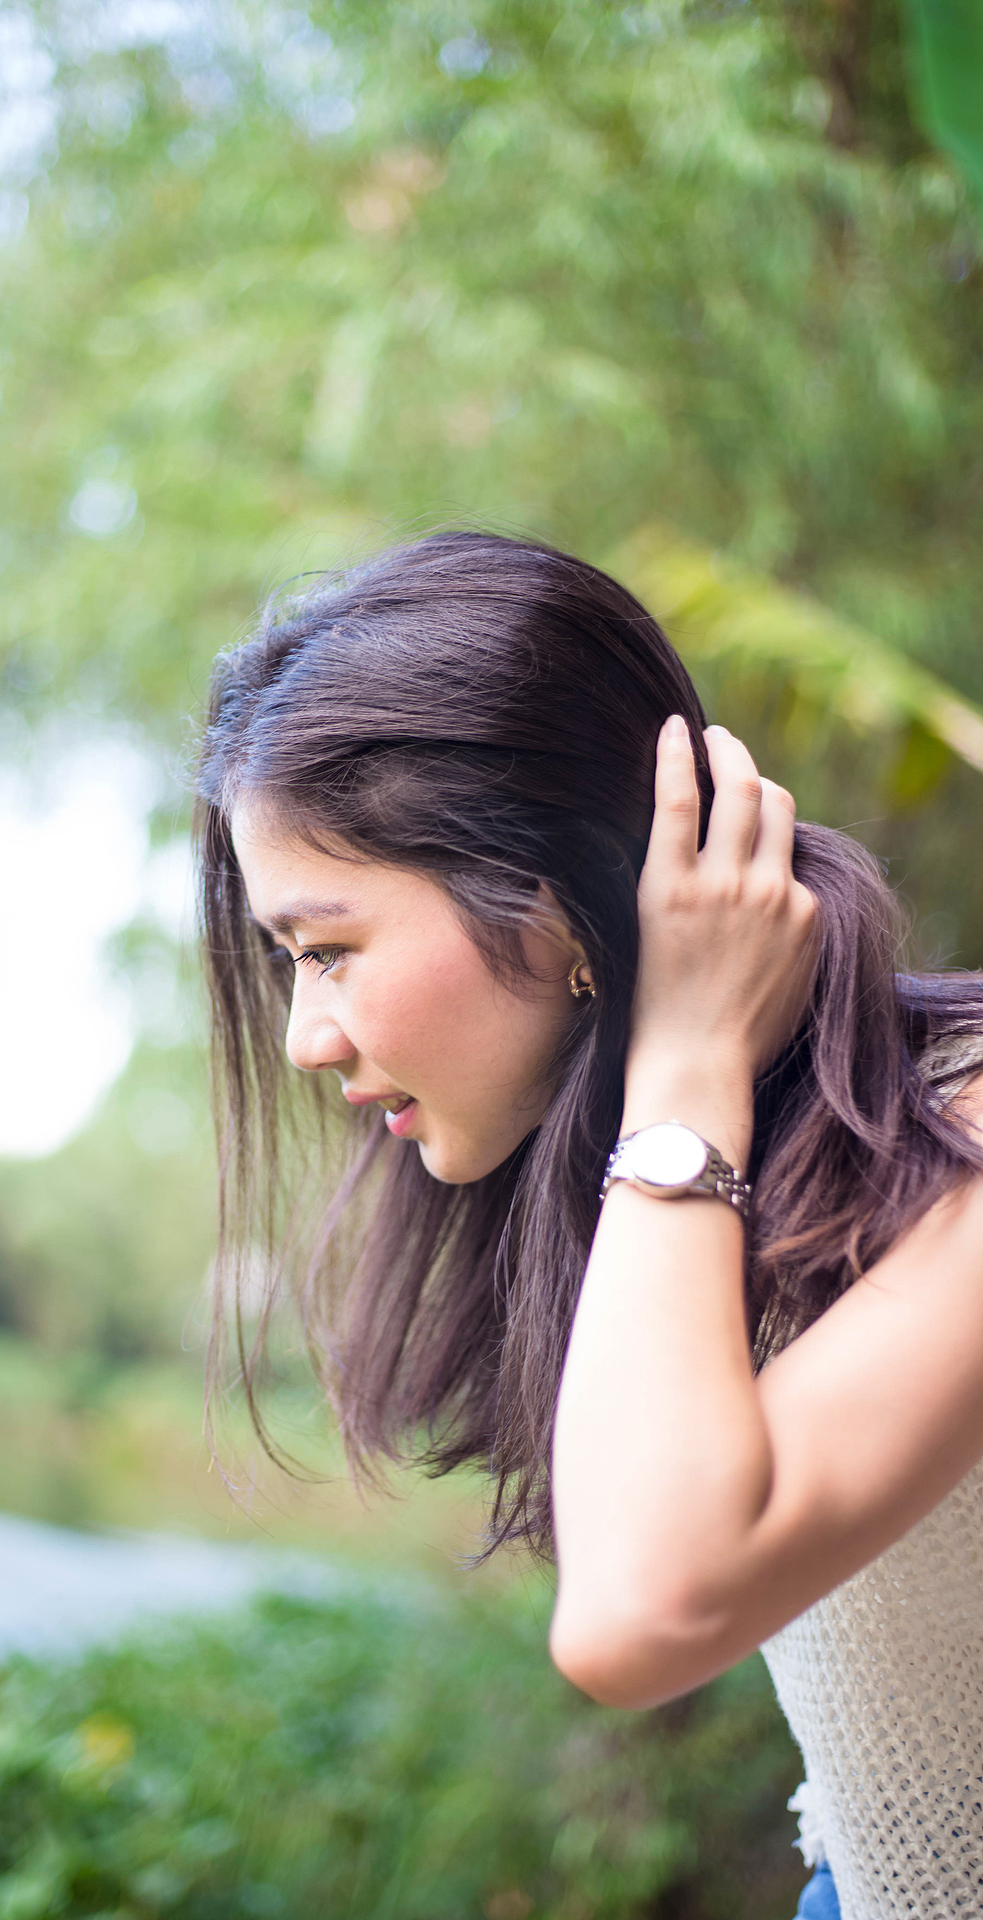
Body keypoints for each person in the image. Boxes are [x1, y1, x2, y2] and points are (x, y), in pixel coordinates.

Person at [194, 530, 983, 1920]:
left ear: (556, 903)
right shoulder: (720, 1192)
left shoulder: (960, 1132)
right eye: (285, 962)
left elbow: (640, 1618)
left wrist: (684, 1063)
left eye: (329, 951)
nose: (307, 1037)